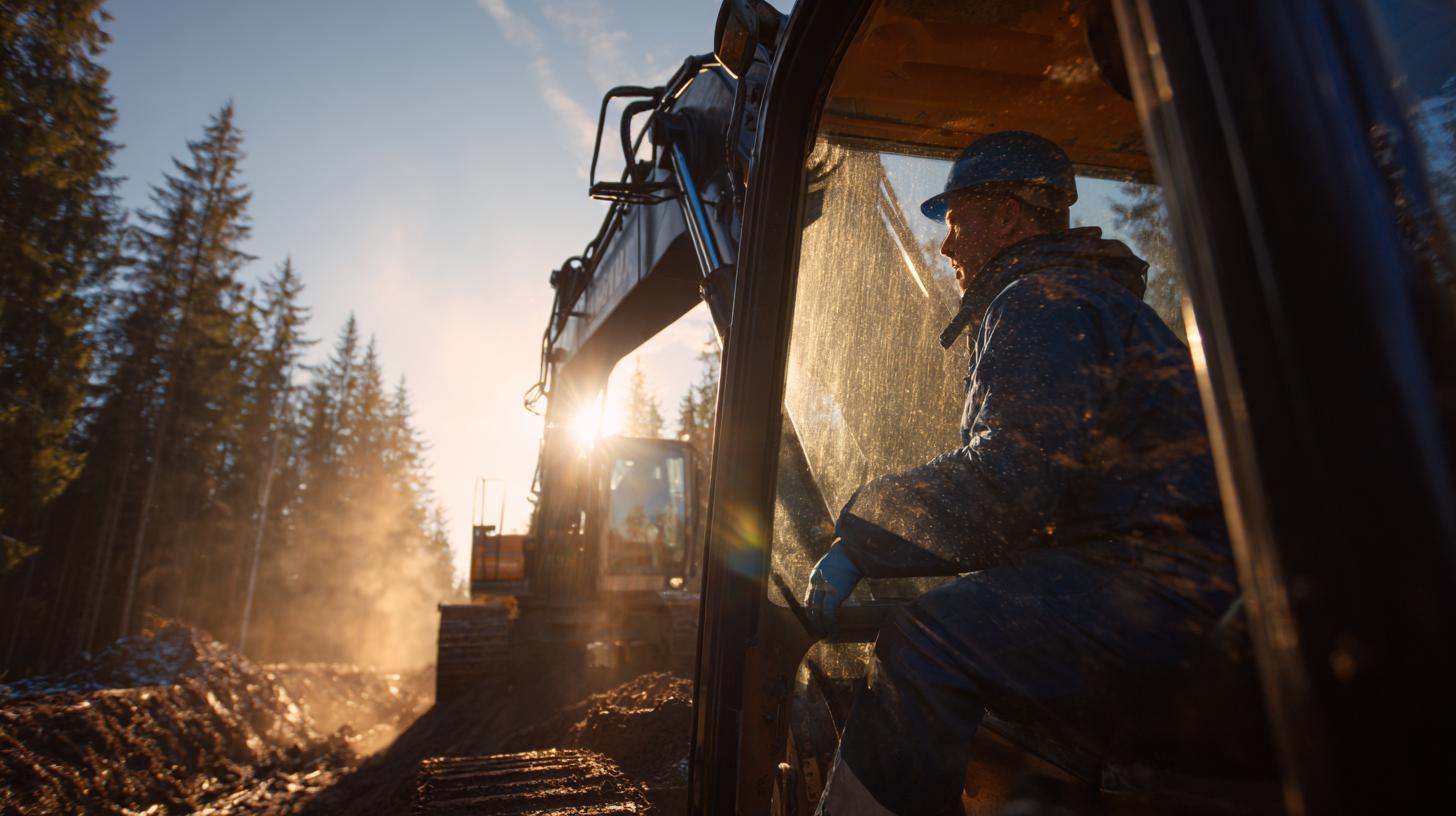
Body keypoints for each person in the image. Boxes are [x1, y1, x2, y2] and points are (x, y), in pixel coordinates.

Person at [805, 132, 1239, 815]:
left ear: (1008, 216)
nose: (947, 247)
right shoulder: (1082, 298)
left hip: (1158, 582)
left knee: (929, 640)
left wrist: (861, 534)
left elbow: (1007, 483)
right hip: (1170, 571)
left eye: (956, 223)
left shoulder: (1041, 300)